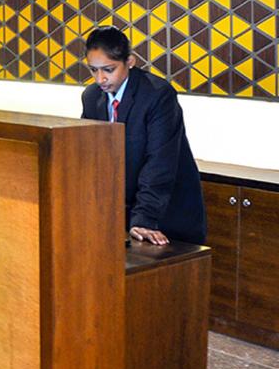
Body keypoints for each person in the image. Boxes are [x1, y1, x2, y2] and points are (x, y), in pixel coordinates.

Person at [80, 26, 206, 245]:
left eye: (108, 69)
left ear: (130, 61)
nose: (100, 79)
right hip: (123, 214)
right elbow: (91, 155)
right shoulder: (91, 97)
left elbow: (159, 162)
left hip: (165, 214)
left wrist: (144, 218)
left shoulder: (157, 95)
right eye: (93, 70)